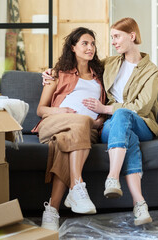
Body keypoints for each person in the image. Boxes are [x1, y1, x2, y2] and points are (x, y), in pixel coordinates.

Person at [43, 17, 158, 226]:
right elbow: (77, 64)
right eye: (112, 37)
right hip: (111, 126)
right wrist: (48, 72)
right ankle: (140, 204)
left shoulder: (151, 71)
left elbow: (142, 107)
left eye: (117, 37)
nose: (113, 41)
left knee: (123, 115)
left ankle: (112, 177)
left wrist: (105, 110)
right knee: (127, 136)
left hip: (140, 121)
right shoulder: (110, 63)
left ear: (131, 36)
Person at [35, 27, 106, 231]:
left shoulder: (100, 75)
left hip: (87, 130)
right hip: (55, 123)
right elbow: (41, 110)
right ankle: (76, 186)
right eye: (84, 43)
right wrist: (61, 112)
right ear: (73, 47)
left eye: (92, 43)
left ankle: (51, 211)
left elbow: (103, 110)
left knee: (68, 142)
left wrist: (100, 121)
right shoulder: (58, 73)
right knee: (80, 121)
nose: (90, 47)